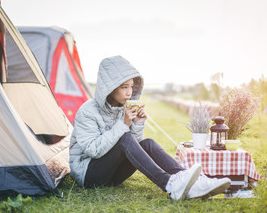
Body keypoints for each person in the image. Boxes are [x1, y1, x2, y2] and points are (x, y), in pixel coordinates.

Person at [69, 56, 231, 200]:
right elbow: (93, 150)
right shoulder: (87, 111)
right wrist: (123, 124)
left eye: (131, 87)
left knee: (148, 143)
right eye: (124, 87)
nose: (129, 92)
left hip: (113, 176)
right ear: (110, 87)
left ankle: (193, 183)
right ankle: (170, 185)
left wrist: (138, 123)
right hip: (89, 174)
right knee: (124, 138)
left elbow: (135, 148)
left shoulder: (121, 108)